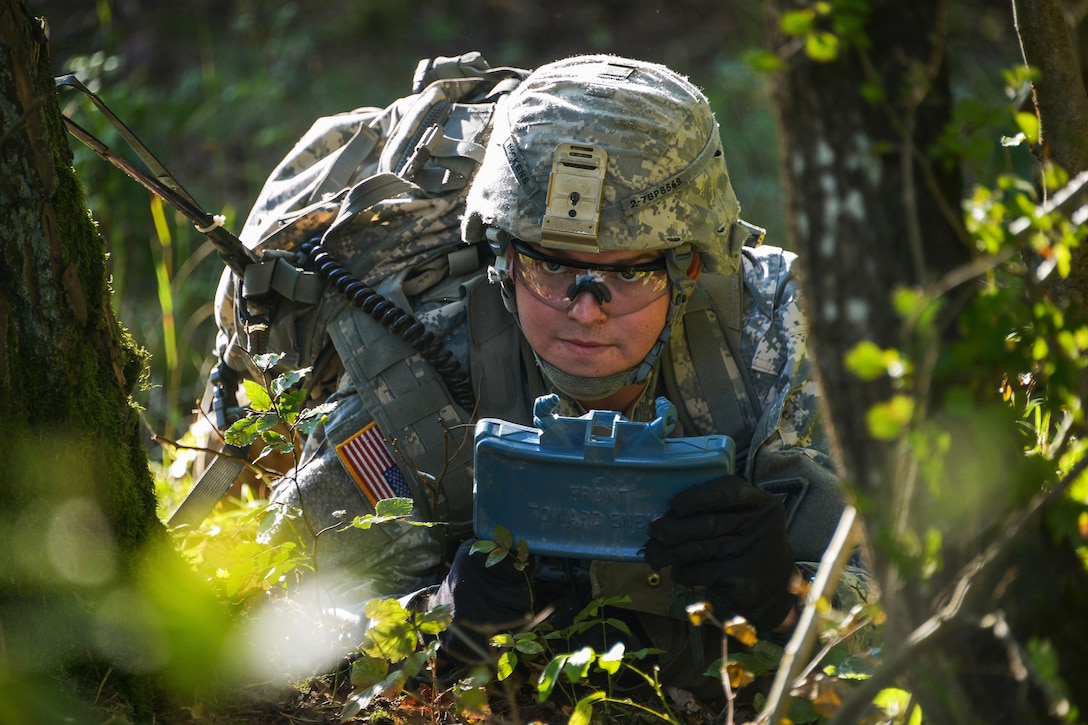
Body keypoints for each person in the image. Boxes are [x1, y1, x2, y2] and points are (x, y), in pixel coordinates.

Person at [254, 53, 866, 700]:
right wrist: (435, 620)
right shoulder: (421, 381)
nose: (584, 310)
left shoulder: (779, 345)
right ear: (501, 258)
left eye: (628, 272)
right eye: (550, 265)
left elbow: (929, 592)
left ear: (689, 270)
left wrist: (791, 599)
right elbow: (282, 619)